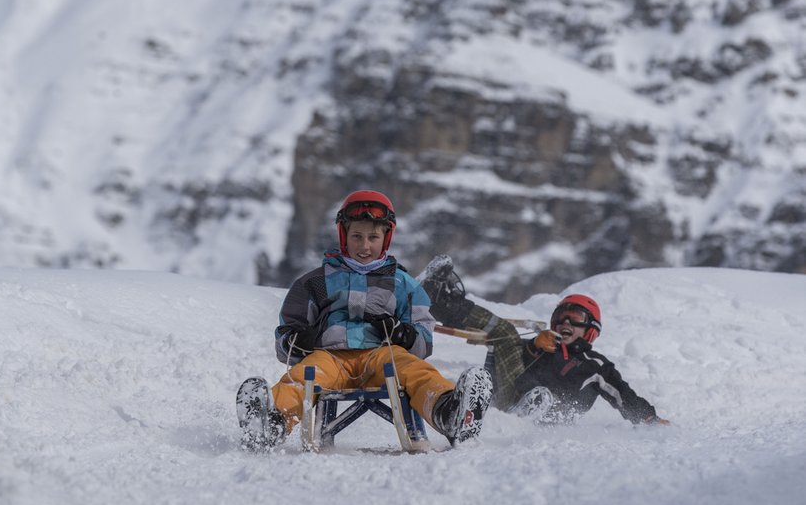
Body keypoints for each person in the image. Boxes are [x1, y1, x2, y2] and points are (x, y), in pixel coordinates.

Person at [236, 191, 492, 450]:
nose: (365, 245)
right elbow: (286, 333)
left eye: (373, 237)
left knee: (415, 370)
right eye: (356, 236)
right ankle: (270, 424)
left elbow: (424, 337)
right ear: (343, 235)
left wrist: (403, 334)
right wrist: (297, 339)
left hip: (383, 356)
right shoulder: (315, 281)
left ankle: (451, 414)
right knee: (303, 377)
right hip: (331, 357)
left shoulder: (402, 284)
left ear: (386, 238)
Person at [419, 255, 669, 425]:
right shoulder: (545, 346)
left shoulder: (596, 365)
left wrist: (648, 418)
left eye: (575, 318)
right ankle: (441, 302)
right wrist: (533, 348)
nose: (566, 323)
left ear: (590, 328)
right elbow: (515, 367)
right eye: (560, 317)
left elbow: (621, 394)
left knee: (516, 352)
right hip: (512, 398)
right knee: (505, 335)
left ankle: (531, 406)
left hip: (552, 415)